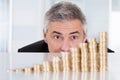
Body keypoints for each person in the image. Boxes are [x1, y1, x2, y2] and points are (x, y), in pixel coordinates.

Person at [18, 1, 114, 53]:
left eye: (73, 37)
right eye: (57, 37)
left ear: (84, 37)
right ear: (45, 36)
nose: (65, 48)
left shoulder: (106, 57)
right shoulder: (26, 55)